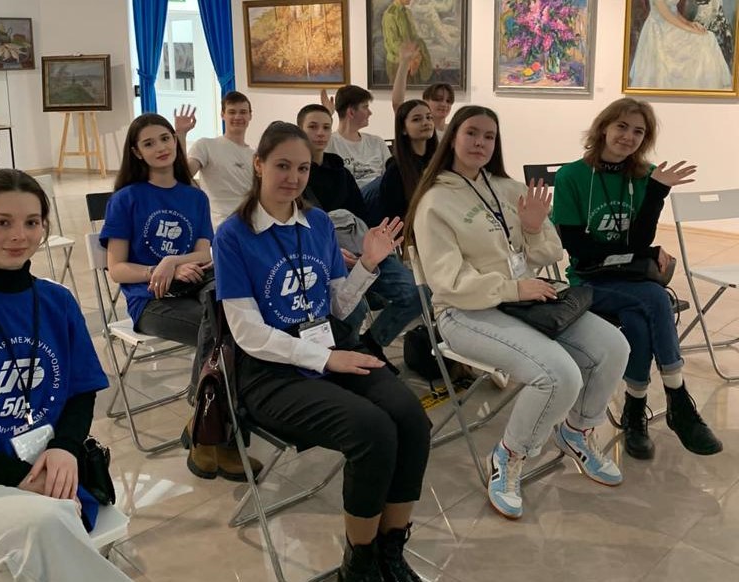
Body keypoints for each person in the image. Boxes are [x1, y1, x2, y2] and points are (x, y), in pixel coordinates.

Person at [214, 121, 430, 581]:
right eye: (282, 166)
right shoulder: (233, 235)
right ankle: (360, 563)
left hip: (330, 345)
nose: (293, 177)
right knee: (373, 430)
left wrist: (368, 263)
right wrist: (325, 358)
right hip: (271, 370)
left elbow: (337, 306)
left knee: (411, 419)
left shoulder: (316, 223)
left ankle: (391, 551)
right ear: (259, 165)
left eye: (302, 168)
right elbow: (247, 332)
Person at [405, 106, 630, 520]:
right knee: (559, 375)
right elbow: (447, 282)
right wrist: (512, 287)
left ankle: (577, 430)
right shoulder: (434, 201)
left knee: (614, 346)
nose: (480, 143)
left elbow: (550, 251)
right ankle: (508, 455)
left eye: (489, 136)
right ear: (452, 137)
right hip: (464, 312)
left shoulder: (509, 188)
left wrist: (531, 227)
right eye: (471, 133)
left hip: (525, 301)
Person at [0, 169, 133, 582]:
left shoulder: (57, 301)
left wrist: (64, 447)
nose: (18, 235)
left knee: (51, 526)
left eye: (32, 222)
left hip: (49, 467)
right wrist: (21, 480)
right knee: (47, 526)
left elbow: (80, 391)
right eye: (2, 222)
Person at [552, 97, 723, 460]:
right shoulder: (571, 177)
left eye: (638, 131)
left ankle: (634, 414)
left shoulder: (646, 176)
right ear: (603, 128)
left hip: (628, 281)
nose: (628, 137)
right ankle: (678, 398)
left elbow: (639, 239)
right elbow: (579, 249)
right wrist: (642, 253)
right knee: (656, 299)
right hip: (588, 280)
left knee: (639, 320)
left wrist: (657, 192)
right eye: (621, 126)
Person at [100, 113, 262, 482]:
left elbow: (205, 253)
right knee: (231, 335)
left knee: (232, 323)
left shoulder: (194, 196)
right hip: (151, 300)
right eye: (149, 143)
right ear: (136, 153)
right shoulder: (126, 199)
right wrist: (158, 271)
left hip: (195, 287)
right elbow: (117, 269)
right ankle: (223, 439)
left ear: (175, 141)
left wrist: (173, 261)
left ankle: (203, 423)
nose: (160, 147)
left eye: (165, 138)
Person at [298, 103, 422, 374]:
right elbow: (300, 229)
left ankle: (371, 344)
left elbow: (362, 215)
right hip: (327, 258)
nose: (320, 133)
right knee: (350, 310)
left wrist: (371, 249)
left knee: (416, 292)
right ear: (300, 130)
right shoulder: (297, 179)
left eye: (325, 127)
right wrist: (331, 253)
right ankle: (348, 355)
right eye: (312, 127)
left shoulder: (341, 173)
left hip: (361, 250)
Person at [174, 92, 255, 225]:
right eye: (232, 112)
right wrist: (181, 134)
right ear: (223, 115)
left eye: (243, 112)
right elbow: (183, 175)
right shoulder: (206, 145)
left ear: (250, 116)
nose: (237, 116)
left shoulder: (256, 156)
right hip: (218, 227)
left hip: (249, 226)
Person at [629, 0, 731, 90]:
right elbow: (666, 15)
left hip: (672, 25)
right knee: (701, 40)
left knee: (708, 37)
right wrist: (689, 29)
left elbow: (674, 11)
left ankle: (706, 84)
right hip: (660, 30)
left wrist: (689, 23)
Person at [326, 85, 392, 199]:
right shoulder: (329, 142)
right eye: (365, 107)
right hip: (352, 199)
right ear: (351, 112)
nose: (370, 113)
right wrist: (326, 115)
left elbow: (391, 176)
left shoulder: (377, 142)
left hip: (380, 198)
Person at [378, 98, 437, 223]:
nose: (426, 123)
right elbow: (392, 217)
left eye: (429, 117)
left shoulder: (440, 162)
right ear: (403, 129)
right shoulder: (396, 170)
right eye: (417, 119)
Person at [391, 41, 455, 137]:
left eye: (448, 101)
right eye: (438, 99)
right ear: (425, 101)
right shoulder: (419, 129)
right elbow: (397, 104)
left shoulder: (455, 131)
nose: (444, 104)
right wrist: (405, 62)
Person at [381, 0, 432, 84]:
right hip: (397, 64)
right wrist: (410, 56)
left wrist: (417, 54)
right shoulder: (390, 14)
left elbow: (413, 36)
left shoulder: (407, 12)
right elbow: (392, 44)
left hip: (412, 61)